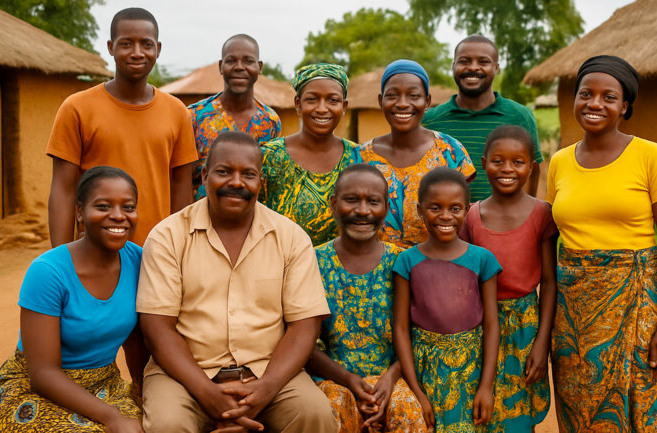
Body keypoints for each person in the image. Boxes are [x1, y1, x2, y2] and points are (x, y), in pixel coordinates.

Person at [137, 131, 337, 433]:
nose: (237, 182)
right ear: (204, 176)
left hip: (269, 374)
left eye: (248, 174)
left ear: (261, 182)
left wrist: (266, 389)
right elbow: (157, 328)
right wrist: (207, 394)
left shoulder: (291, 238)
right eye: (224, 171)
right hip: (184, 378)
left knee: (315, 415)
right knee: (168, 424)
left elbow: (304, 326)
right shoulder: (168, 237)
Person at [547, 55, 657, 432]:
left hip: (635, 308)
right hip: (572, 316)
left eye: (608, 97)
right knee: (577, 411)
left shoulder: (652, 156)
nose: (594, 103)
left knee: (633, 408)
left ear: (625, 106)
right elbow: (551, 237)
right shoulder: (559, 162)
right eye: (585, 94)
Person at [0, 166, 147, 433]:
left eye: (128, 207)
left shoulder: (138, 260)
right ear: (79, 212)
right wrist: (113, 418)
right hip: (36, 390)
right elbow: (43, 374)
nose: (119, 216)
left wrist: (144, 394)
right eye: (103, 206)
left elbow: (137, 342)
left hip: (105, 387)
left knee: (157, 424)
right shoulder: (48, 272)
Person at [47, 7, 197, 246]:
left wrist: (179, 250)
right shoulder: (77, 108)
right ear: (111, 47)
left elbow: (181, 188)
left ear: (158, 49)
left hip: (156, 252)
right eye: (126, 44)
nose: (137, 53)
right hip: (95, 251)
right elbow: (63, 190)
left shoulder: (177, 112)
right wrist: (62, 258)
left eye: (146, 44)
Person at [308, 164, 427, 432]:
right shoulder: (313, 261)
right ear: (334, 204)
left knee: (406, 408)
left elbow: (419, 334)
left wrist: (391, 377)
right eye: (351, 200)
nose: (363, 210)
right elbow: (304, 342)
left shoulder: (403, 262)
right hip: (332, 378)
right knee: (334, 407)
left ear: (386, 207)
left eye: (373, 201)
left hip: (393, 377)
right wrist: (348, 379)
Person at [460, 125, 557, 432]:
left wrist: (542, 342)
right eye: (498, 161)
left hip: (525, 329)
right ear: (484, 163)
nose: (507, 169)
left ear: (531, 167)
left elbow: (549, 283)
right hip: (479, 326)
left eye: (517, 162)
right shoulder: (471, 216)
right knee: (479, 413)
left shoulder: (542, 214)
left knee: (520, 416)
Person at [393, 167, 501, 432]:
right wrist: (416, 391)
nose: (445, 216)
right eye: (435, 208)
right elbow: (401, 328)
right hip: (425, 371)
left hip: (472, 371)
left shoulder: (482, 259)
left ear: (467, 210)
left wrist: (486, 386)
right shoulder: (407, 261)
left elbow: (491, 324)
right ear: (420, 210)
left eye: (455, 208)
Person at [358, 59, 475, 248]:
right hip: (376, 263)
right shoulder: (361, 157)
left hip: (436, 261)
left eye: (413, 96)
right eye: (392, 95)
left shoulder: (450, 152)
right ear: (381, 101)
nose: (402, 104)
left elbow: (462, 214)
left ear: (427, 101)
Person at [422, 35, 543, 203]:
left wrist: (523, 214)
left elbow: (533, 171)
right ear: (453, 66)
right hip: (447, 218)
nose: (473, 67)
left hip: (506, 218)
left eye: (483, 62)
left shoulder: (520, 116)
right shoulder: (430, 121)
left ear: (496, 68)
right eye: (464, 61)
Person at [260, 63, 358, 246]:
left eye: (333, 100)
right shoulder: (270, 157)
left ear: (344, 106)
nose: (322, 108)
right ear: (298, 104)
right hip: (279, 261)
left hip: (339, 264)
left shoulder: (358, 158)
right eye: (312, 99)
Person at [188, 34, 281, 200]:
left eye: (248, 61)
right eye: (231, 61)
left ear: (259, 67)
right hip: (201, 213)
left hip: (251, 212)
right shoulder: (195, 116)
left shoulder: (269, 122)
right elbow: (182, 178)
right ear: (220, 66)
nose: (239, 67)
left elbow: (269, 181)